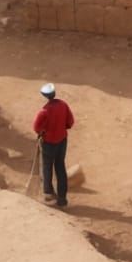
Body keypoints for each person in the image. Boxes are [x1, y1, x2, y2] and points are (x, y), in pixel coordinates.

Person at [33, 82, 75, 210]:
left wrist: (43, 132)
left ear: (44, 95)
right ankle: (62, 199)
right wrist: (63, 127)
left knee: (47, 167)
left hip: (49, 143)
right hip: (62, 140)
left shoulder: (44, 111)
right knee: (60, 167)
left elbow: (36, 127)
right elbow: (70, 121)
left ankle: (48, 193)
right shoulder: (63, 105)